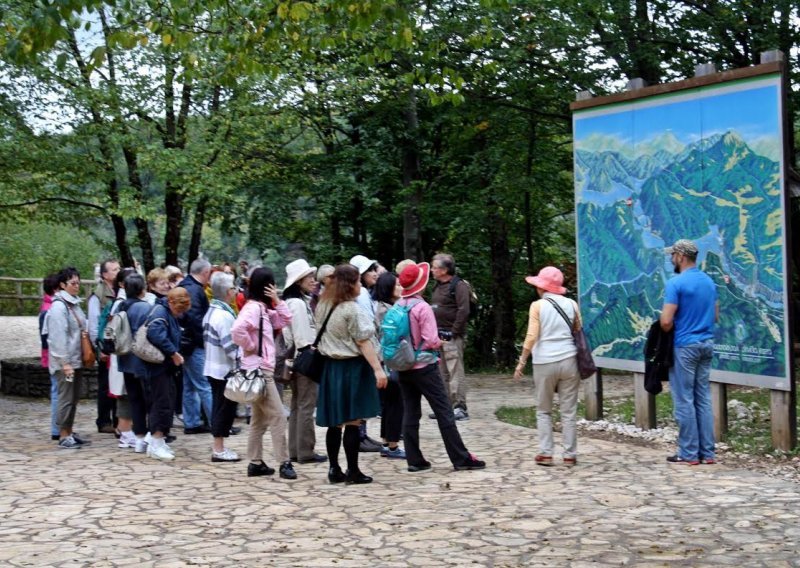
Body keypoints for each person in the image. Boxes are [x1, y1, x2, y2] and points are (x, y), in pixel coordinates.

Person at [394, 262, 485, 473]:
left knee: (410, 412)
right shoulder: (421, 307)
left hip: (403, 366)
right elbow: (431, 339)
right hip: (424, 366)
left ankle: (414, 460)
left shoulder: (399, 305)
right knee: (444, 411)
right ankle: (460, 458)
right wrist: (439, 342)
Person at [315, 264, 388, 484]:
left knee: (335, 423)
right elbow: (363, 341)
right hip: (352, 369)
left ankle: (334, 468)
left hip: (330, 368)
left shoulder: (323, 305)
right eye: (357, 281)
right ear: (350, 284)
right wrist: (378, 369)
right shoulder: (352, 310)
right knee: (353, 421)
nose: (360, 285)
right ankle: (353, 470)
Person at [231, 267, 297, 480]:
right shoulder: (253, 309)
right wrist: (251, 346)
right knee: (278, 416)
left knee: (259, 420)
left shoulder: (262, 309)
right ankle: (284, 461)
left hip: (260, 368)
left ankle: (256, 462)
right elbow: (237, 330)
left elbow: (286, 320)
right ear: (266, 286)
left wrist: (277, 301)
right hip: (259, 370)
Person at [513, 266, 582, 467]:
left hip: (544, 362)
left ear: (542, 287)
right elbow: (578, 329)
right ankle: (570, 455)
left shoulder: (538, 306)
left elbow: (532, 335)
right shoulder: (572, 304)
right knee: (568, 411)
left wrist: (522, 361)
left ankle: (546, 453)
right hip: (570, 360)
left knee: (544, 410)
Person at [660, 239, 719, 466]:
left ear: (681, 256)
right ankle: (708, 453)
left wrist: (669, 325)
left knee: (684, 399)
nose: (671, 259)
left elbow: (666, 321)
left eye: (672, 255)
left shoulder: (676, 283)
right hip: (707, 343)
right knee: (702, 398)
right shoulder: (709, 282)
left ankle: (688, 452)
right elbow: (715, 316)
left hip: (685, 346)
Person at [282, 259, 326, 464]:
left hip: (297, 361)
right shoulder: (298, 304)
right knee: (306, 405)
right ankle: (306, 450)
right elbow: (301, 337)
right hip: (305, 360)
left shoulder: (293, 302)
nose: (313, 280)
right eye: (308, 277)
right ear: (298, 281)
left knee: (297, 406)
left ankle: (296, 450)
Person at [142, 287, 190, 460]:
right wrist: (173, 353)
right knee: (161, 403)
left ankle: (159, 440)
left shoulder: (165, 311)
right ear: (171, 302)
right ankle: (155, 441)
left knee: (166, 400)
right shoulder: (161, 313)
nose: (179, 313)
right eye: (178, 309)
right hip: (158, 366)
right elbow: (155, 334)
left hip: (163, 366)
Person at [47, 267, 91, 449]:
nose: (76, 286)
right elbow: (58, 338)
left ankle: (69, 431)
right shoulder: (59, 307)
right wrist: (64, 362)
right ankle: (63, 434)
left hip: (75, 359)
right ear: (62, 285)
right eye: (73, 283)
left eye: (78, 282)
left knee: (73, 398)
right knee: (65, 398)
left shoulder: (74, 304)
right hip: (65, 362)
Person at [203, 271, 242, 463]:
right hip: (223, 369)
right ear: (228, 291)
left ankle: (219, 446)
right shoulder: (224, 316)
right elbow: (232, 348)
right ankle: (218, 449)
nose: (236, 291)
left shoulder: (212, 311)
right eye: (234, 287)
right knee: (223, 408)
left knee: (220, 406)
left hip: (213, 367)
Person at [348, 254, 383, 453]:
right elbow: (367, 325)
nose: (374, 274)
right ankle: (360, 436)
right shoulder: (360, 294)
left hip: (367, 347)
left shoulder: (364, 293)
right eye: (369, 271)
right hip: (364, 349)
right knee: (362, 394)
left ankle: (362, 434)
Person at [430, 253, 471, 421]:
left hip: (451, 335)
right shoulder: (437, 286)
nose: (432, 270)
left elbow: (464, 310)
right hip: (438, 335)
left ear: (445, 269)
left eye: (435, 267)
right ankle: (445, 407)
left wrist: (453, 332)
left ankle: (460, 407)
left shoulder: (459, 285)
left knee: (455, 370)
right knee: (442, 372)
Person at [116, 272, 152, 453]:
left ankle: (138, 438)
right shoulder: (145, 308)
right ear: (141, 289)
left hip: (124, 359)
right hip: (142, 360)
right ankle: (150, 436)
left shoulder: (120, 306)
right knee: (149, 399)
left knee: (134, 400)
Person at [371, 271, 406, 459]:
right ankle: (392, 445)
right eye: (397, 285)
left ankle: (386, 442)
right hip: (390, 361)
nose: (401, 288)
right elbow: (391, 338)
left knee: (389, 404)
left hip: (386, 361)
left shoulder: (382, 306)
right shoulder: (387, 310)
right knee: (395, 403)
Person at [177, 259, 214, 434]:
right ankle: (218, 423)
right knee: (204, 385)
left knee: (190, 385)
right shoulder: (194, 289)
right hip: (194, 345)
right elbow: (195, 320)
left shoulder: (186, 286)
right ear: (205, 273)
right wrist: (205, 340)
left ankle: (192, 422)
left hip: (187, 344)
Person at [87, 259, 120, 434]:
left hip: (115, 346)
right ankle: (103, 420)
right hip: (104, 346)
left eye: (118, 268)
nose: (117, 271)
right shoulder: (97, 295)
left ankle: (117, 419)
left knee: (115, 383)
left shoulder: (119, 291)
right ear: (105, 275)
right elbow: (93, 324)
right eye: (114, 269)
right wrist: (98, 348)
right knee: (105, 384)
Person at [39, 273, 60, 441]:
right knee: (57, 392)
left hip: (51, 356)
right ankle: (57, 428)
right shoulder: (49, 310)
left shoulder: (48, 307)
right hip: (54, 357)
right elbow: (46, 340)